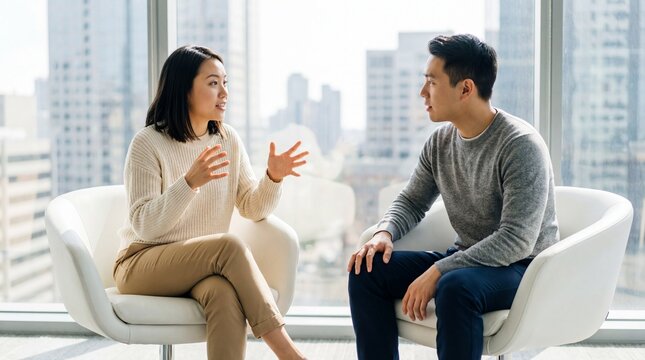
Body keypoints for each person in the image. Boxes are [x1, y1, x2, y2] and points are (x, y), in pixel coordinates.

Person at [347, 34, 560, 360]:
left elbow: (516, 240)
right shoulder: (440, 143)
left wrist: (438, 271)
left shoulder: (520, 146)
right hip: (467, 259)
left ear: (465, 89)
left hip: (523, 268)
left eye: (432, 82)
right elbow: (412, 201)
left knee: (455, 286)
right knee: (367, 269)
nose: (422, 93)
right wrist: (384, 232)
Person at [113, 45, 308, 360]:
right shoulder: (148, 143)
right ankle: (290, 354)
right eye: (213, 83)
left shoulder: (227, 139)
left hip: (200, 268)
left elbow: (250, 207)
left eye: (225, 83)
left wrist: (273, 177)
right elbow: (145, 227)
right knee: (228, 247)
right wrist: (190, 183)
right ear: (185, 89)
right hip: (140, 264)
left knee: (223, 293)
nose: (224, 93)